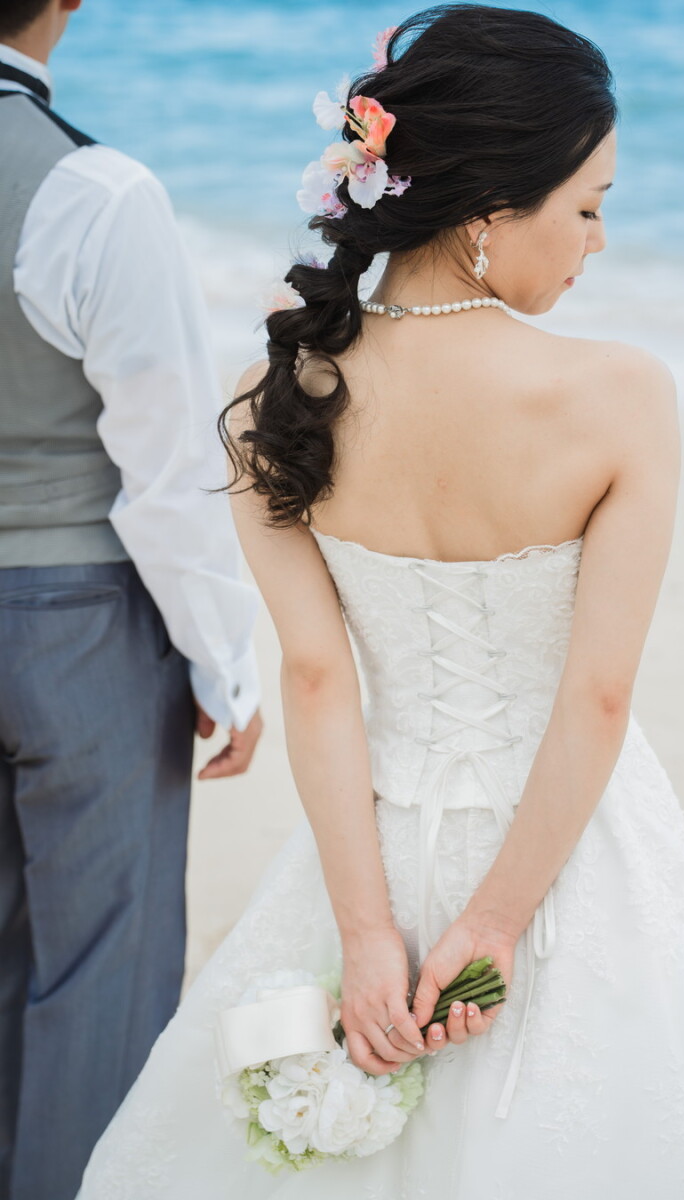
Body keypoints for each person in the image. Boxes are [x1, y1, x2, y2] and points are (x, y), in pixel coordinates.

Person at [77, 5, 684, 1197]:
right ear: (486, 213)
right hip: (569, 852)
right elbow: (596, 696)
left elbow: (318, 681)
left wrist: (368, 935)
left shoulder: (274, 397)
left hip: (371, 847)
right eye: (586, 207)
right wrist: (495, 926)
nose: (598, 241)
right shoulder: (619, 396)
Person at [0, 2, 265, 1198]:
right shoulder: (94, 192)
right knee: (100, 978)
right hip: (78, 626)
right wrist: (223, 662)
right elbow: (166, 467)